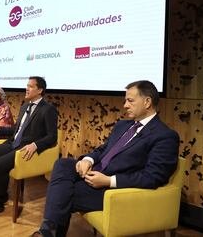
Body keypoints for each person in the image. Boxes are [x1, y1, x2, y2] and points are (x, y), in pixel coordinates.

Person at [32, 80, 180, 237]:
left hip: (113, 188)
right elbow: (104, 149)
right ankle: (49, 232)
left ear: (147, 102)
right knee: (63, 164)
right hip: (94, 172)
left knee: (63, 193)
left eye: (130, 100)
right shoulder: (123, 125)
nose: (125, 105)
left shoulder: (164, 136)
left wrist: (108, 181)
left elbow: (152, 177)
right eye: (125, 101)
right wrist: (87, 160)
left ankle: (47, 232)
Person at [0, 76, 58, 216]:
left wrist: (36, 145)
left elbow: (52, 137)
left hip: (24, 149)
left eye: (30, 86)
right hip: (12, 144)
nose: (27, 88)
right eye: (27, 85)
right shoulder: (25, 106)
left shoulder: (48, 109)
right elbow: (17, 129)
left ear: (40, 90)